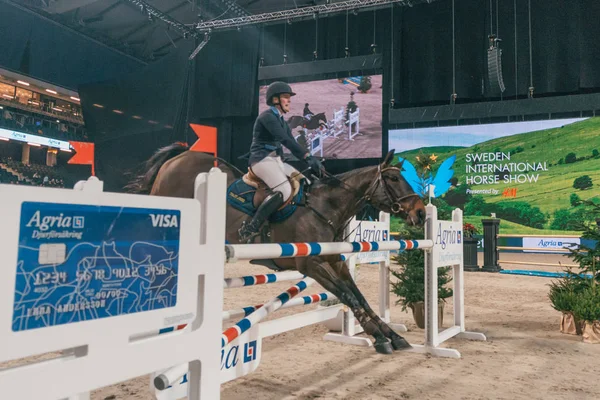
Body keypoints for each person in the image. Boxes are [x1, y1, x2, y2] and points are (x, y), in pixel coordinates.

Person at [238, 81, 325, 243]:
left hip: (274, 160)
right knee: (284, 189)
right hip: (261, 160)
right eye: (286, 97)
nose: (289, 101)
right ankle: (250, 228)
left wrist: (311, 159)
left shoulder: (281, 120)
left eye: (289, 98)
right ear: (275, 99)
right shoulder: (267, 117)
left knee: (304, 181)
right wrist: (306, 157)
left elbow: (292, 141)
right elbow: (284, 139)